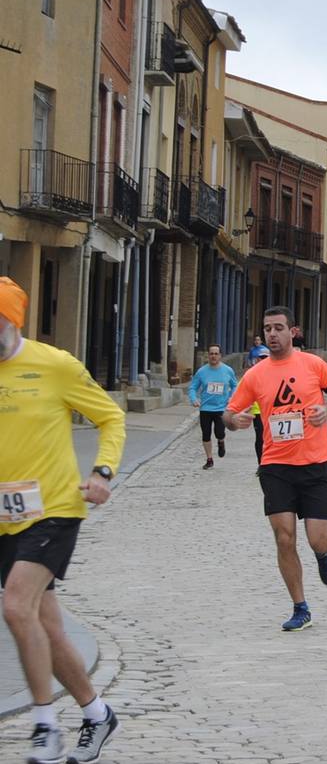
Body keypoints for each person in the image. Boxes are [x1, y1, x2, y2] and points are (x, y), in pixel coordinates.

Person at [0, 277, 124, 763]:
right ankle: (97, 714)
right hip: (6, 517)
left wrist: (103, 471)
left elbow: (111, 418)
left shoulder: (54, 365)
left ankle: (44, 726)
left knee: (15, 608)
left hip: (54, 509)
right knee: (45, 628)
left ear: (11, 321)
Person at [225, 306, 327, 631]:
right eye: (268, 329)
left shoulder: (313, 364)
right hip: (275, 466)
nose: (273, 334)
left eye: (279, 328)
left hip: (315, 464)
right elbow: (229, 411)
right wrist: (233, 420)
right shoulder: (255, 375)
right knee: (284, 538)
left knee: (318, 539)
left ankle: (324, 555)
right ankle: (300, 607)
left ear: (292, 331)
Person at [189, 344, 238, 470]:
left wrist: (231, 398)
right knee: (206, 434)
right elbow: (193, 387)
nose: (213, 356)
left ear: (220, 356)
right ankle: (209, 459)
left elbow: (235, 386)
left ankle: (221, 442)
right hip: (205, 408)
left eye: (216, 354)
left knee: (219, 432)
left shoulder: (227, 370)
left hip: (221, 408)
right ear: (208, 356)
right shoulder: (202, 371)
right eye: (211, 354)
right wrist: (194, 399)